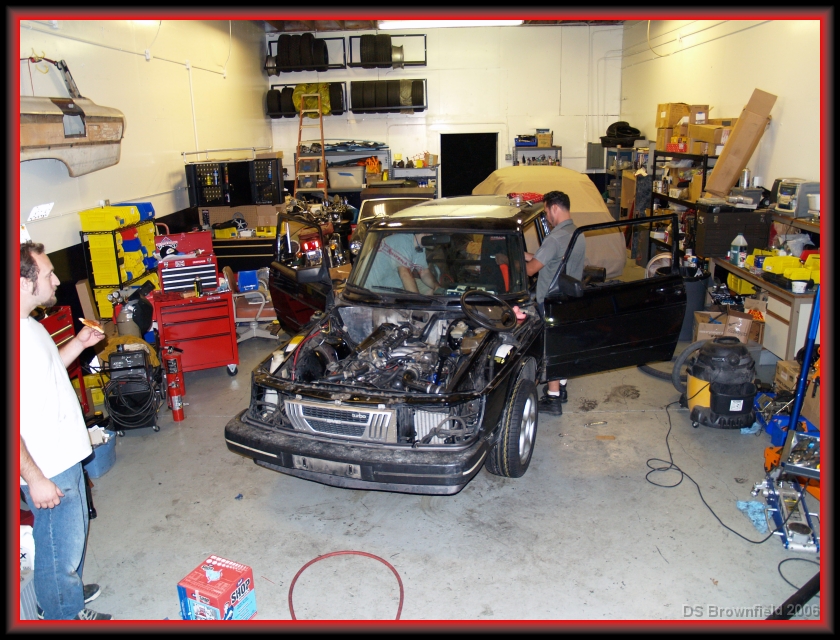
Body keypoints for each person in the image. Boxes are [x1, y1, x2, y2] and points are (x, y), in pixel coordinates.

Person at [19, 241, 112, 621]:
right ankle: (63, 611)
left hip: (64, 454)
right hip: (47, 465)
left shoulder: (29, 325)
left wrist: (79, 343)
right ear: (23, 283)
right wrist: (34, 478)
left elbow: (49, 370)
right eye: (48, 274)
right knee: (58, 543)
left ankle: (63, 589)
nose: (56, 280)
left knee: (69, 539)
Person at [524, 191, 587, 416]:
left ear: (554, 208)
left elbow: (531, 270)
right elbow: (551, 259)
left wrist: (512, 263)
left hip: (549, 300)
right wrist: (527, 255)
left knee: (549, 347)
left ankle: (553, 399)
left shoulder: (554, 238)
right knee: (562, 344)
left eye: (546, 211)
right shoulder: (577, 233)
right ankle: (561, 387)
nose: (546, 217)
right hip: (567, 299)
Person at [365, 232, 439, 293]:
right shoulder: (403, 240)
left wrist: (437, 288)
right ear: (426, 233)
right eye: (435, 236)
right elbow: (405, 274)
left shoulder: (419, 247)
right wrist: (416, 300)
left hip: (392, 284)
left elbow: (424, 272)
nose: (436, 242)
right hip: (375, 289)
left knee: (429, 288)